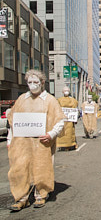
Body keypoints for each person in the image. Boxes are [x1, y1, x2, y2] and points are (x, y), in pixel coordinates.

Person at [7, 70, 65, 211]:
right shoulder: (22, 99)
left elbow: (60, 121)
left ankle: (41, 194)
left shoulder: (50, 100)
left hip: (41, 143)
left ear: (42, 83)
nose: (32, 85)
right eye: (30, 82)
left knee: (42, 168)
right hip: (22, 143)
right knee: (19, 169)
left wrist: (51, 134)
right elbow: (13, 122)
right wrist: (10, 140)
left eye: (35, 82)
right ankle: (21, 198)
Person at [57, 86, 78, 151]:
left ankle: (71, 143)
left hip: (70, 121)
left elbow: (75, 109)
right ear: (62, 92)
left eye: (67, 90)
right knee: (62, 132)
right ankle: (62, 144)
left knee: (70, 132)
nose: (66, 92)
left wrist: (75, 118)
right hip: (62, 120)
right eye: (65, 90)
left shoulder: (73, 100)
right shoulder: (59, 100)